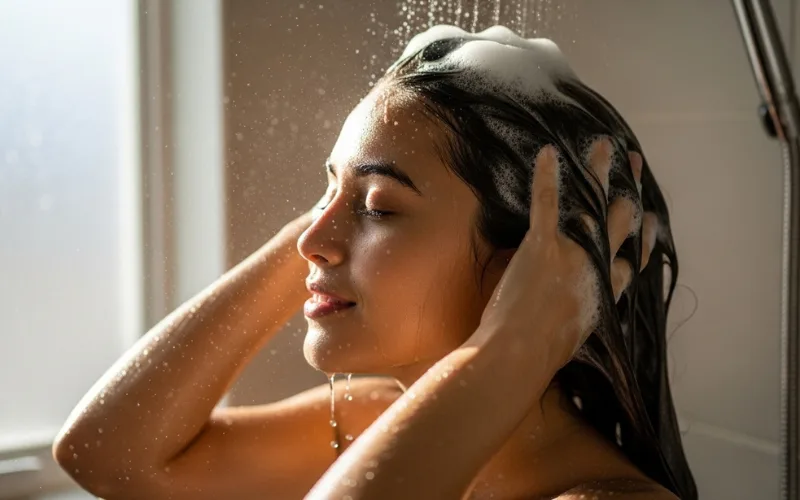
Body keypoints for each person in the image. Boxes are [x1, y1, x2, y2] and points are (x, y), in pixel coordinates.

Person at [53, 26, 696, 499]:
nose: (312, 239)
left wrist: (513, 350)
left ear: (529, 266)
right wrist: (335, 210)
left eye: (382, 208)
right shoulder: (372, 422)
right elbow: (106, 454)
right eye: (323, 195)